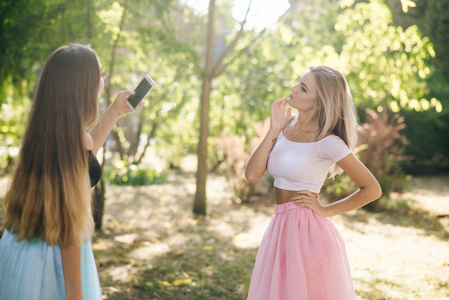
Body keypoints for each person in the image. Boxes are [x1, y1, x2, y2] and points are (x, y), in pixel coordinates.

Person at [0, 44, 144, 300]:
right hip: (51, 268)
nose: (102, 80)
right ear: (84, 86)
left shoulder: (41, 134)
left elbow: (81, 156)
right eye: (99, 74)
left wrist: (114, 111)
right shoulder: (74, 142)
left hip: (19, 255)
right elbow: (69, 237)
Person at [245, 65, 382, 300]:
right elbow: (252, 174)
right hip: (280, 226)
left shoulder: (327, 142)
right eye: (298, 83)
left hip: (307, 233)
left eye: (303, 88)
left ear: (318, 103)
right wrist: (273, 129)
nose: (293, 89)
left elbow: (372, 189)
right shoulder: (285, 125)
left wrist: (325, 210)